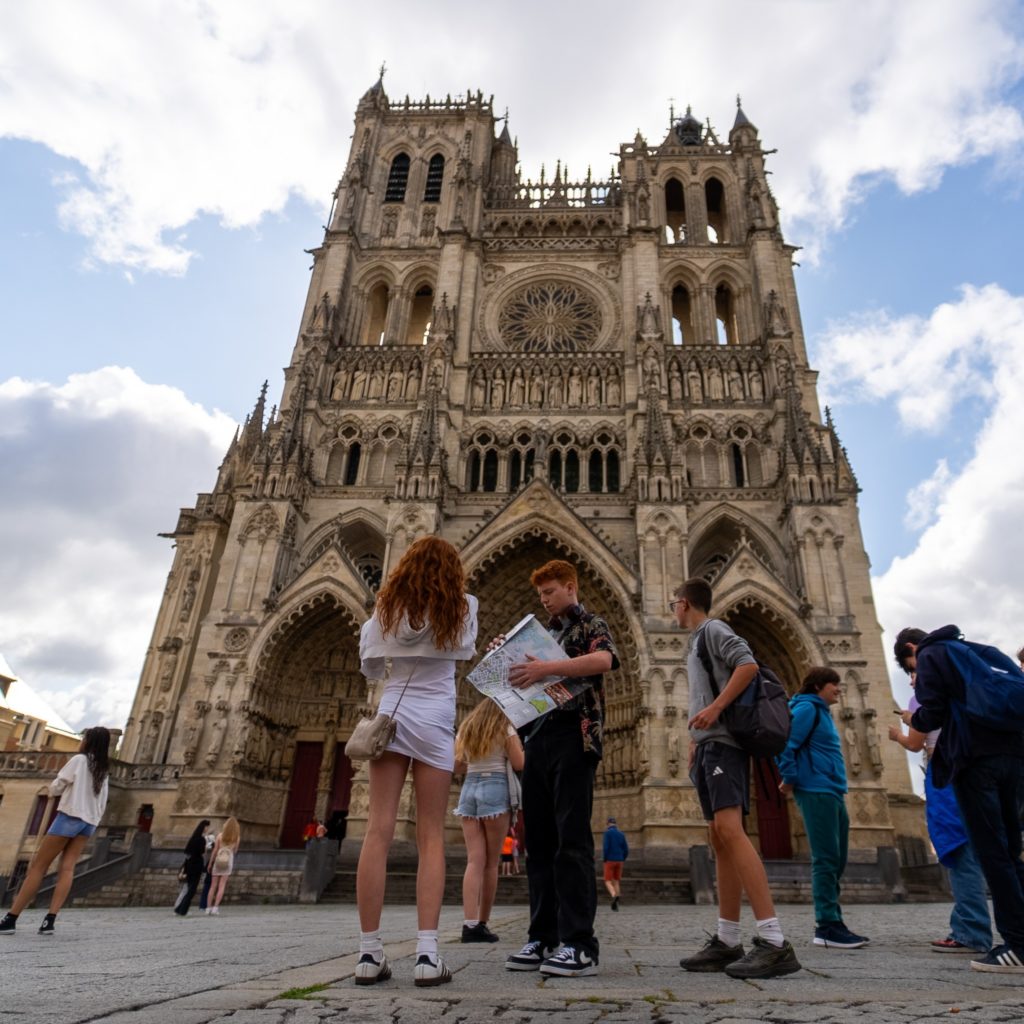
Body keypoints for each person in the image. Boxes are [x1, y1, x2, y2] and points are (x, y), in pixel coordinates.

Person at [355, 535, 478, 987]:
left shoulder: (387, 608)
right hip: (436, 722)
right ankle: (427, 954)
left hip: (392, 716)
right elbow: (465, 651)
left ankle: (369, 953)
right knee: (430, 837)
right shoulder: (463, 606)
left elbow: (369, 664)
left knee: (378, 832)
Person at [673, 578, 801, 979]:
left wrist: (715, 709)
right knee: (719, 835)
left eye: (674, 604)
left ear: (685, 603)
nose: (672, 610)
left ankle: (775, 941)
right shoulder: (696, 640)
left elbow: (747, 664)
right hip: (710, 745)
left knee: (729, 830)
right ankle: (728, 940)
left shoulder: (712, 629)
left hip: (725, 744)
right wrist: (698, 736)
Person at [503, 558, 619, 979]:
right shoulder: (545, 634)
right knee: (539, 844)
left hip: (576, 735)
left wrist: (545, 666)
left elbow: (604, 661)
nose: (544, 601)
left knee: (571, 842)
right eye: (541, 596)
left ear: (570, 586)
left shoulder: (592, 624)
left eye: (549, 592)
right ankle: (543, 936)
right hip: (538, 739)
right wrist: (509, 659)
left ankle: (579, 944)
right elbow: (526, 683)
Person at [896, 626, 1024, 972]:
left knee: (992, 853)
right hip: (1014, 758)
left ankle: (1018, 945)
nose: (914, 673)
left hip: (975, 762)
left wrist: (912, 719)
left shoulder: (932, 654)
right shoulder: (983, 652)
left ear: (912, 647)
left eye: (910, 666)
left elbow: (932, 711)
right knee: (1013, 852)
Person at [888, 655, 992, 954]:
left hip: (944, 772)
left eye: (913, 672)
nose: (911, 680)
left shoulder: (925, 699)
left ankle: (971, 931)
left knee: (958, 852)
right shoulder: (963, 691)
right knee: (976, 850)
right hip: (973, 772)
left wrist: (902, 728)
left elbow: (915, 743)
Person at [776, 668, 868, 948]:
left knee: (837, 858)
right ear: (818, 687)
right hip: (815, 788)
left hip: (832, 789)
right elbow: (786, 745)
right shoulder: (807, 709)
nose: (838, 689)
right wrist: (789, 778)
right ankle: (826, 925)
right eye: (834, 684)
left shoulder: (822, 712)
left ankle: (834, 921)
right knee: (826, 858)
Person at [1, 726, 111, 935]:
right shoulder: (103, 770)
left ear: (89, 741)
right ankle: (49, 920)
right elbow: (102, 802)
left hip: (69, 817)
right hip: (88, 823)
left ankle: (11, 918)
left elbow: (57, 786)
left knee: (38, 867)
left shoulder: (79, 760)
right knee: (67, 868)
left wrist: (55, 790)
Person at [454, 698, 525, 943]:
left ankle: (469, 924)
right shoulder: (504, 727)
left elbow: (457, 766)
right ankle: (483, 923)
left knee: (474, 860)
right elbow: (519, 763)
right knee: (491, 863)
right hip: (495, 788)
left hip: (469, 789)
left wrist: (477, 759)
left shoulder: (467, 727)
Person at [174, 819, 210, 917]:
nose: (207, 829)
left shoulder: (193, 838)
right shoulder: (202, 839)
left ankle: (179, 908)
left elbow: (187, 853)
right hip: (197, 865)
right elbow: (202, 852)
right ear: (204, 827)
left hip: (189, 865)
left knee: (189, 888)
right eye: (207, 827)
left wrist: (185, 868)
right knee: (191, 890)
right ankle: (182, 910)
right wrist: (206, 847)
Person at [206, 816, 241, 914]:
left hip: (218, 861)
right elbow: (235, 851)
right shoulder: (236, 838)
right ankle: (215, 908)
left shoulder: (220, 836)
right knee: (222, 885)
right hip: (228, 861)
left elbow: (215, 850)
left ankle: (208, 908)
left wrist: (210, 863)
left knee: (213, 886)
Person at [602, 817, 629, 911]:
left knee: (607, 881)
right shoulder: (621, 834)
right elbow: (626, 849)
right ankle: (616, 903)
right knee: (616, 881)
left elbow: (606, 847)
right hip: (620, 860)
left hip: (610, 860)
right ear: (615, 824)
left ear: (608, 824)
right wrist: (623, 858)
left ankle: (614, 895)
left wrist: (605, 858)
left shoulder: (607, 833)